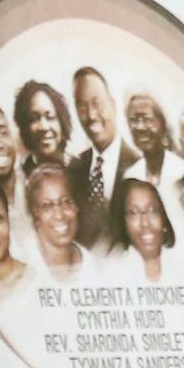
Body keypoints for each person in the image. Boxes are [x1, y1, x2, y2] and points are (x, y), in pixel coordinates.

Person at [68, 67, 136, 250]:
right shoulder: (73, 170)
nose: (90, 115)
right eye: (82, 107)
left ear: (113, 105)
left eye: (97, 103)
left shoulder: (139, 165)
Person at [23, 163, 83, 283]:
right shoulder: (23, 262)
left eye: (66, 202)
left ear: (76, 207)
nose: (59, 215)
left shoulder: (91, 265)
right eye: (47, 206)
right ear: (35, 214)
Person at [110, 176, 174, 285]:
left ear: (163, 218)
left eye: (152, 210)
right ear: (123, 223)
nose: (145, 223)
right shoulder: (113, 276)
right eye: (134, 213)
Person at [13, 79, 72, 174]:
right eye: (34, 119)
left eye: (50, 117)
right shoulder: (21, 178)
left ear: (62, 121)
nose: (44, 127)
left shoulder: (81, 170)